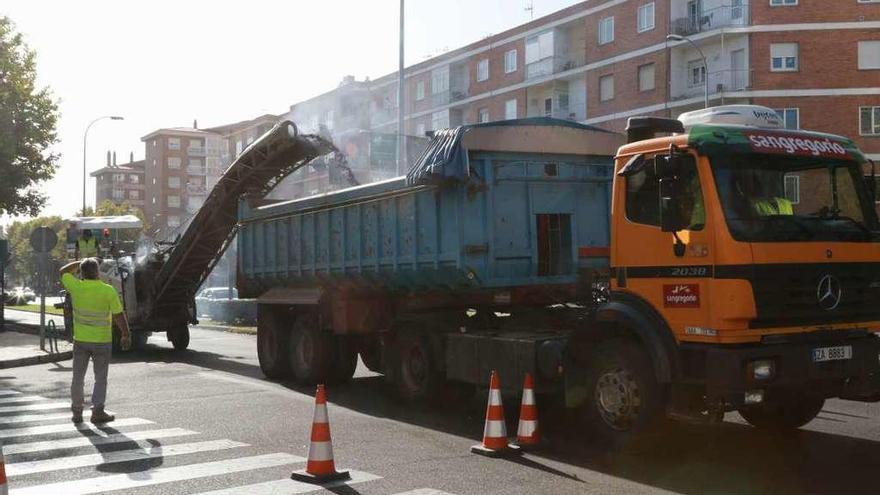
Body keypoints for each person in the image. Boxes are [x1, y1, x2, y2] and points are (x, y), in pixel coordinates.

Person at [59, 258, 131, 424]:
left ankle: (77, 412)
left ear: (81, 273)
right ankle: (97, 411)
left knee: (78, 378)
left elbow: (63, 271)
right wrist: (126, 334)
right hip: (102, 342)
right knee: (100, 378)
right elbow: (118, 315)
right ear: (98, 272)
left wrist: (79, 261)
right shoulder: (108, 290)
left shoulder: (76, 287)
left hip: (81, 341)